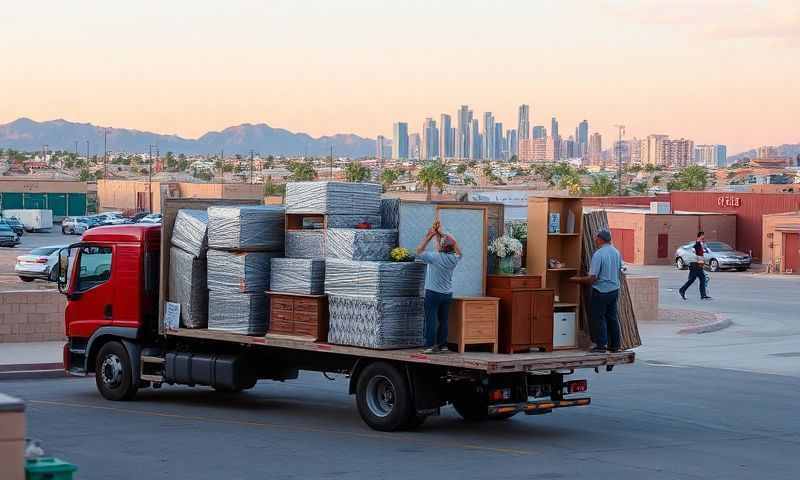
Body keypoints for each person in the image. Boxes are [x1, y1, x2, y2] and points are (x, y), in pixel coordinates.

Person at [570, 229, 623, 353]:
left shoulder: (599, 254)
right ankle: (615, 345)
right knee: (612, 318)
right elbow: (620, 269)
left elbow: (592, 278)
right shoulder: (616, 252)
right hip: (614, 290)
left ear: (600, 239)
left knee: (598, 318)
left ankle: (601, 345)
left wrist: (575, 280)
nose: (595, 240)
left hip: (601, 291)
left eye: (596, 238)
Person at [416, 220, 461, 354]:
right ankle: (443, 345)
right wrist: (440, 234)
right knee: (444, 320)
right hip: (447, 294)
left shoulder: (434, 257)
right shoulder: (454, 258)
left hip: (433, 293)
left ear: (441, 247)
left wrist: (428, 237)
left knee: (431, 320)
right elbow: (454, 246)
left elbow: (419, 251)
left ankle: (430, 346)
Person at [679, 231, 711, 300]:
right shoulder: (696, 244)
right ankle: (682, 290)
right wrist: (700, 261)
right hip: (695, 264)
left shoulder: (699, 245)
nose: (704, 237)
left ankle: (702, 295)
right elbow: (695, 254)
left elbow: (700, 254)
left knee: (696, 279)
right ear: (700, 236)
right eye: (703, 236)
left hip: (697, 264)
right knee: (700, 278)